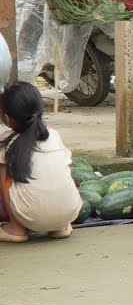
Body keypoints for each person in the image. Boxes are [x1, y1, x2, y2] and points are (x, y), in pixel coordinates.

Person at [0, 82, 81, 243]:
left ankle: (16, 229)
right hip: (70, 212)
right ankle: (60, 227)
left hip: (28, 215)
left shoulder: (5, 142)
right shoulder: (54, 136)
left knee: (3, 171)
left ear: (7, 118)